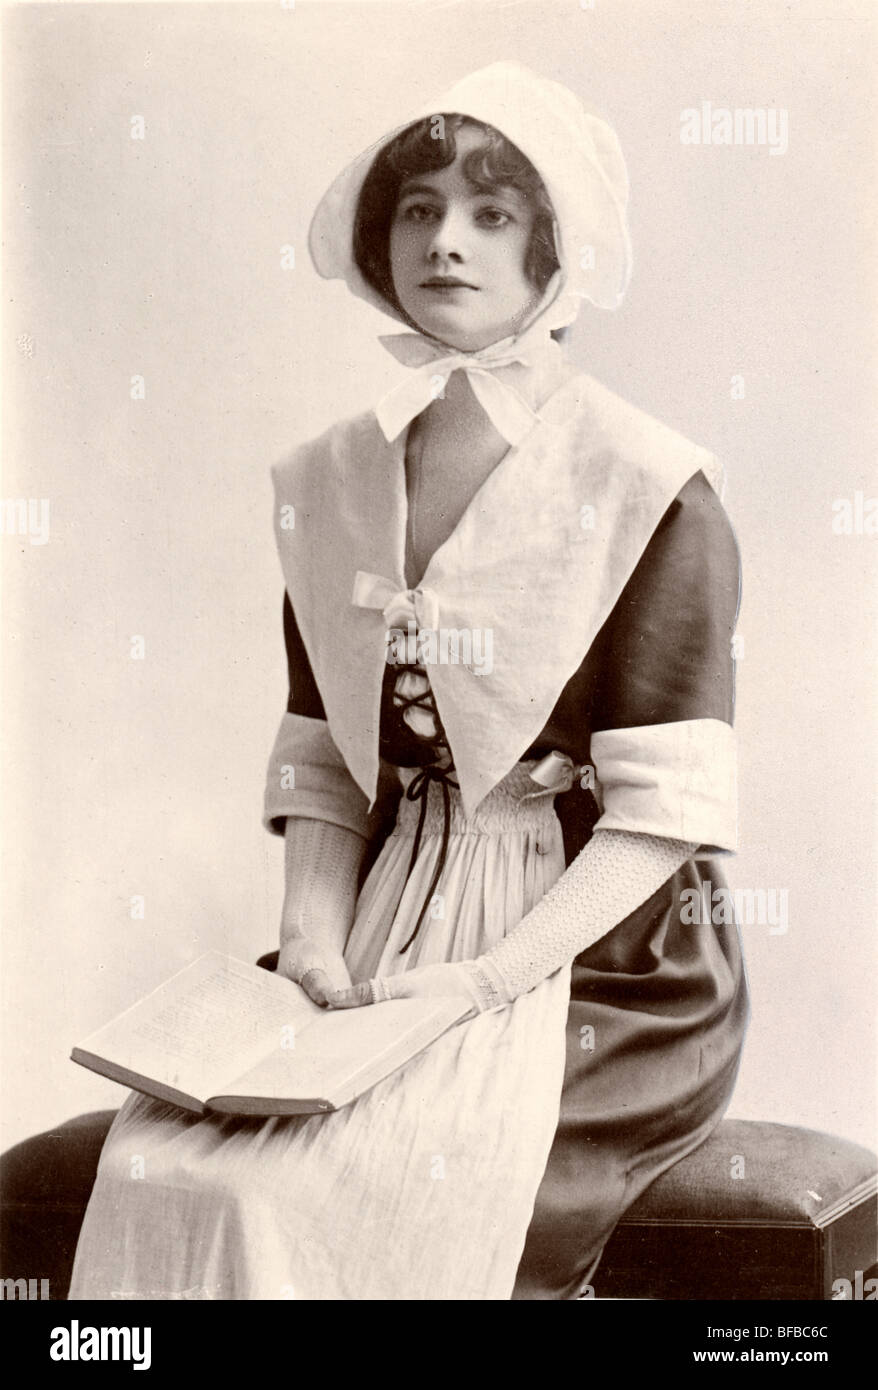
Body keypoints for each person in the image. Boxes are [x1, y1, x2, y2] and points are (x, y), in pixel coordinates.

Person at [69, 62, 748, 1301]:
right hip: (384, 930)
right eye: (418, 208)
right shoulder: (329, 475)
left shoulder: (646, 483)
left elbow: (663, 815)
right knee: (174, 1175)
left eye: (493, 215)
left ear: (557, 250)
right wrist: (311, 942)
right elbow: (325, 753)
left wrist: (485, 983)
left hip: (598, 968)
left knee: (346, 1193)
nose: (446, 242)